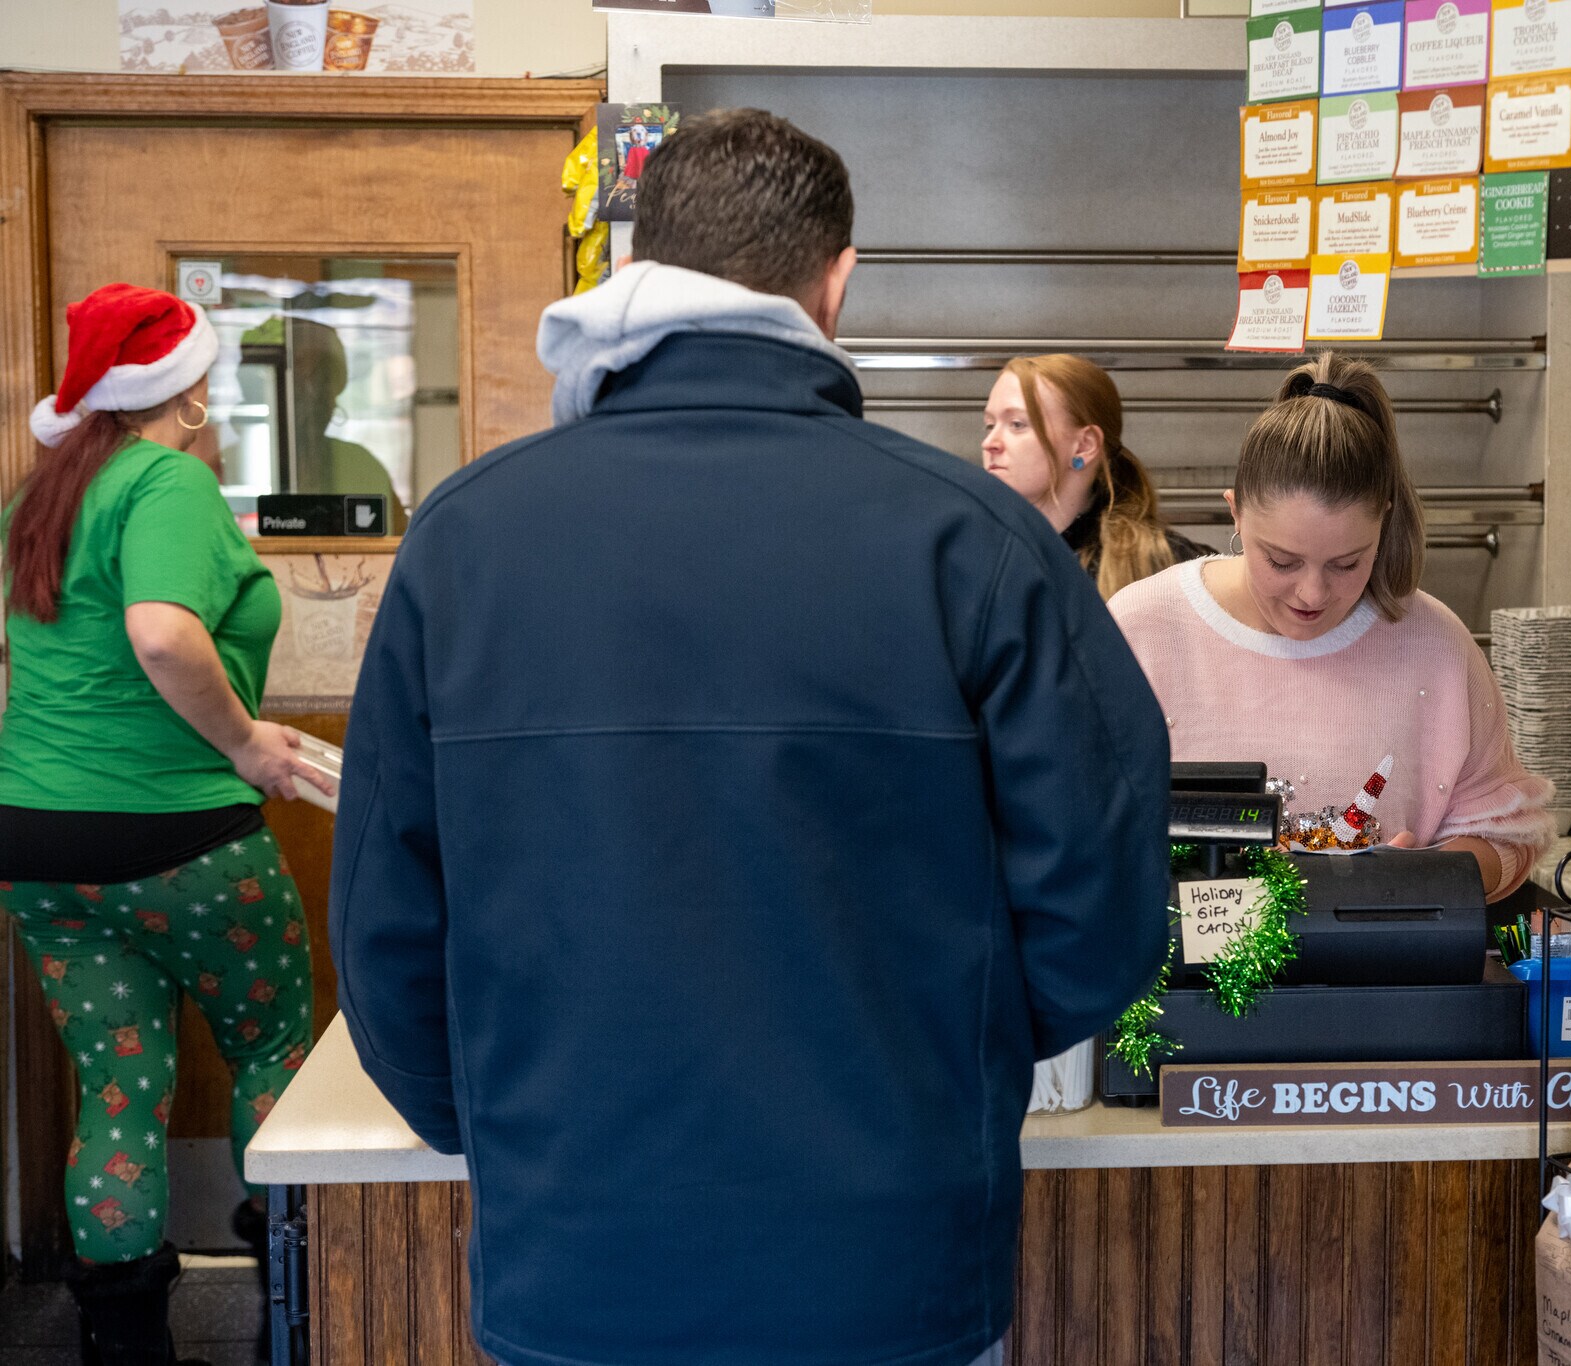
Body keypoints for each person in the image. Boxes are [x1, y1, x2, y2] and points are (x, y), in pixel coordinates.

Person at [330, 108, 1169, 1366]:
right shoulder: (977, 545)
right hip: (886, 1263)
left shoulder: (462, 542)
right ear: (836, 283)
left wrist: (509, 1125)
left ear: (640, 264)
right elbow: (1103, 905)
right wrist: (948, 1062)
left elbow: (384, 926)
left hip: (577, 1255)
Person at [1, 283, 329, 1361]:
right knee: (273, 1051)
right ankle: (296, 1313)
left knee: (118, 1081)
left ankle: (125, 1346)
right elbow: (160, 632)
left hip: (39, 842)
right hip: (180, 837)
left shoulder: (41, 496)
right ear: (182, 390)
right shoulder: (166, 480)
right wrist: (244, 743)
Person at [1109, 353, 1554, 901]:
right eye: (1281, 561)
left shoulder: (1435, 642)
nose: (1312, 594)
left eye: (1347, 564)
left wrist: (1418, 878)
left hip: (1380, 956)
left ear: (1384, 521)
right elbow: (1070, 822)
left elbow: (1506, 835)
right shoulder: (1143, 628)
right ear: (1236, 513)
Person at [980, 354, 1205, 598]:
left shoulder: (1170, 571)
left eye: (1017, 424)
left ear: (1084, 446)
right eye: (990, 425)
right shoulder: (972, 554)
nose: (989, 443)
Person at [238, 313, 407, 530]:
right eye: (297, 384)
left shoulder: (361, 466)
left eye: (322, 381)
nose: (310, 396)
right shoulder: (234, 469)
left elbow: (398, 539)